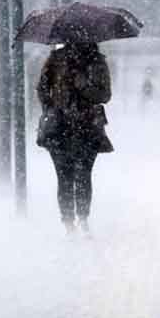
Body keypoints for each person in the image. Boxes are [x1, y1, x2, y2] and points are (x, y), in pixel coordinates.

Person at [36, 42, 113, 234]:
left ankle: (82, 218)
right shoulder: (56, 60)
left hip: (87, 127)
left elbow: (105, 95)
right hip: (60, 127)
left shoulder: (97, 61)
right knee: (65, 176)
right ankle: (69, 222)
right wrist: (52, 108)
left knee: (83, 174)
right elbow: (42, 89)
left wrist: (84, 85)